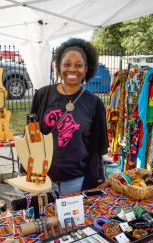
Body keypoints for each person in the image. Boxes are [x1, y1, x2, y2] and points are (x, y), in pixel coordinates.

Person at [31, 38, 108, 195]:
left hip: (76, 180)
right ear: (59, 66)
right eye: (67, 64)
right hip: (41, 177)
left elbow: (96, 148)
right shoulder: (43, 95)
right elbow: (31, 135)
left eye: (78, 65)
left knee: (71, 220)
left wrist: (97, 179)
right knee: (44, 219)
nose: (72, 69)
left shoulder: (94, 104)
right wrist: (26, 169)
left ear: (86, 69)